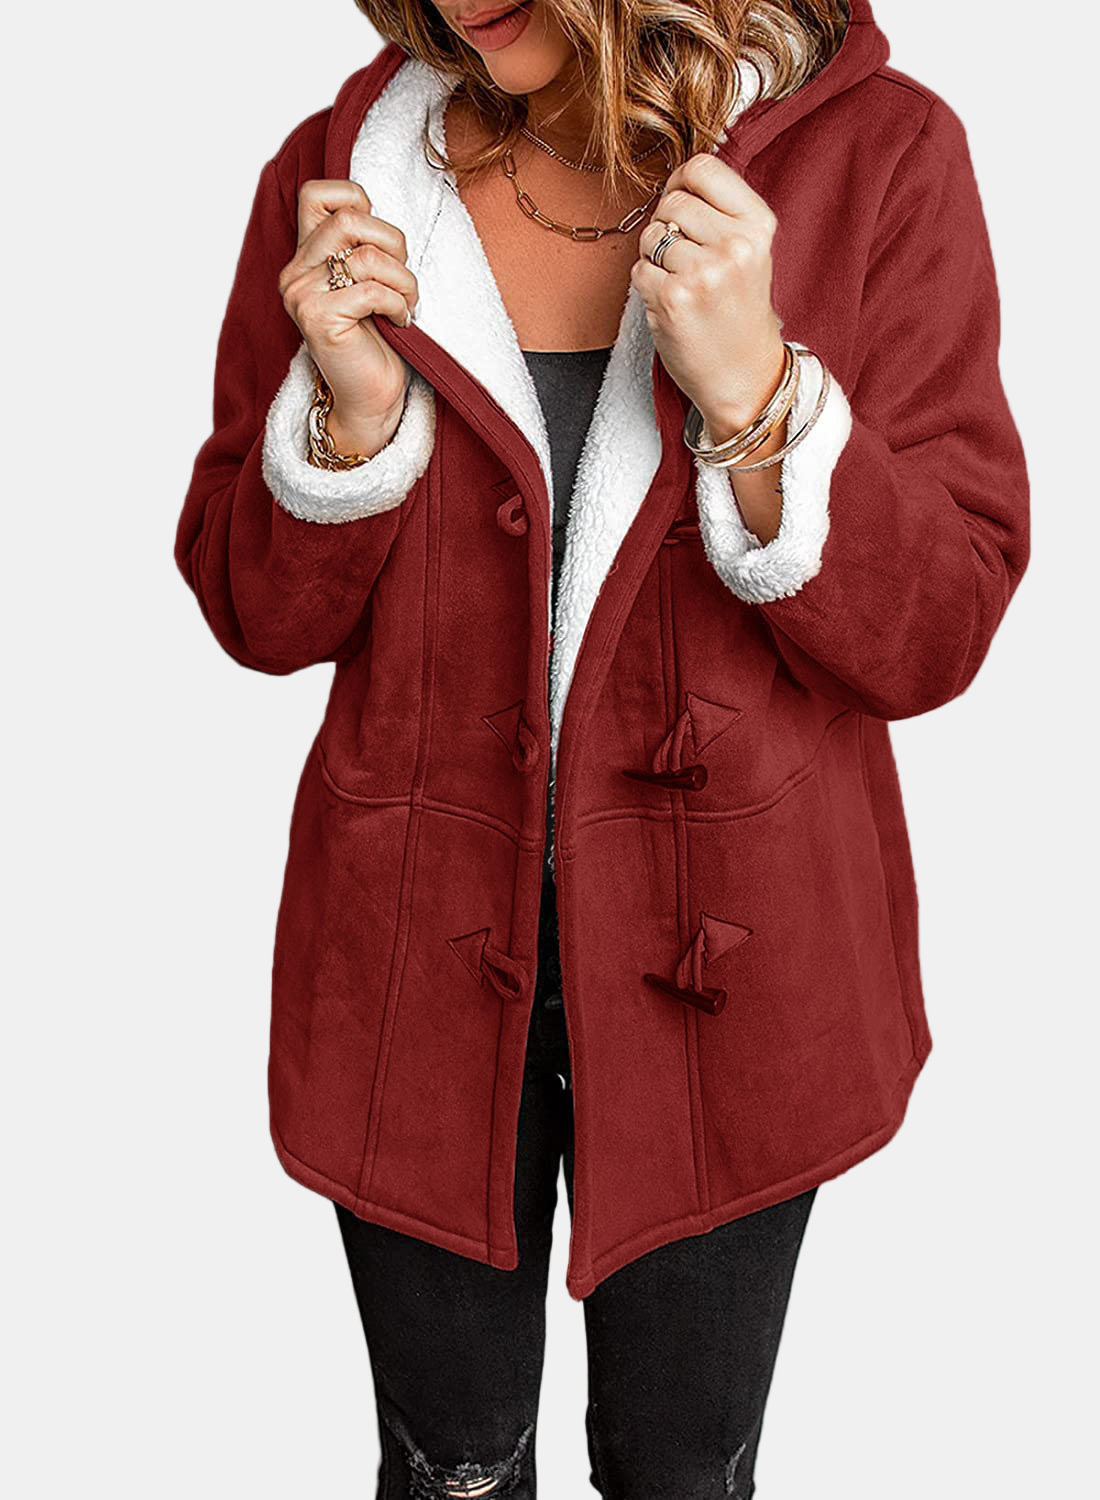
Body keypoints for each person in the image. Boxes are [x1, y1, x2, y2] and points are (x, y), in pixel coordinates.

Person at [174, 0, 1030, 1494]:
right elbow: (255, 612)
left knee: (681, 1474)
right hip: (410, 965)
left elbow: (937, 629)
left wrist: (760, 399)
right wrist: (352, 422)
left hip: (741, 978)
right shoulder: (345, 174)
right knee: (446, 1471)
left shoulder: (882, 159)